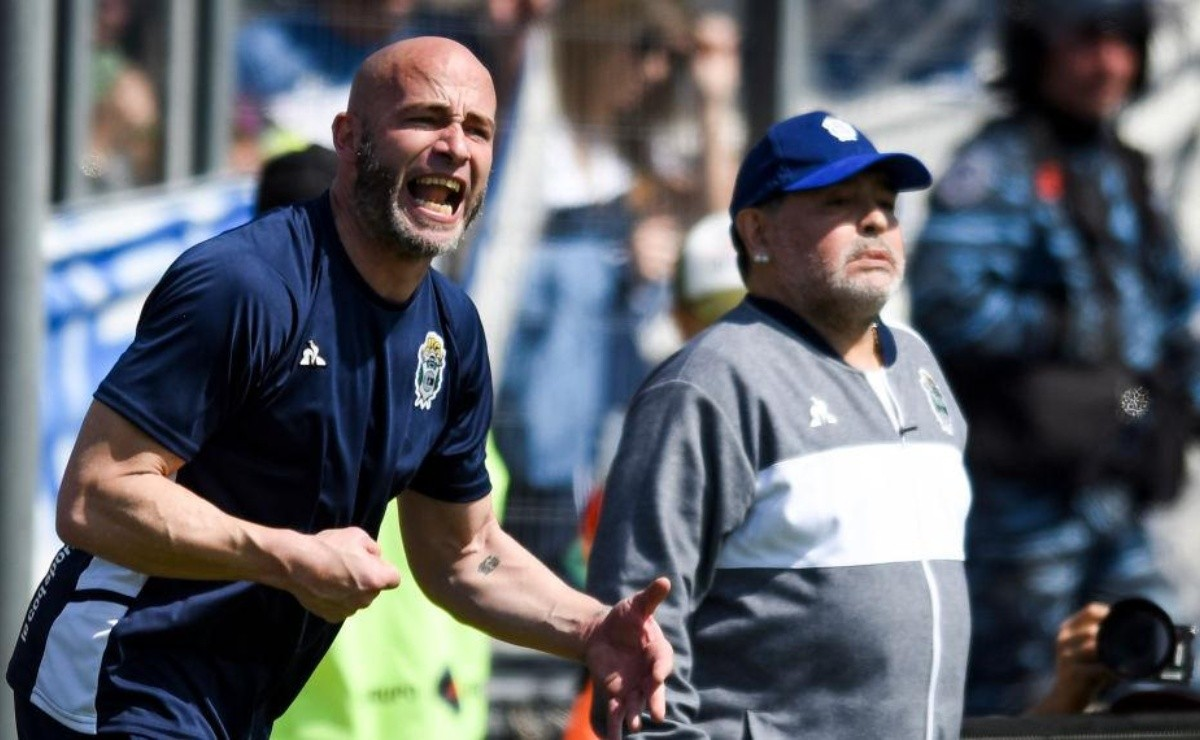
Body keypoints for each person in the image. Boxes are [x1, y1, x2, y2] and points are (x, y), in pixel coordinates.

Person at [7, 36, 671, 740]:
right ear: (349, 138)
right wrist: (287, 554)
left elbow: (461, 555)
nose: (455, 145)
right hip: (119, 674)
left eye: (477, 129)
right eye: (426, 117)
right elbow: (95, 496)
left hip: (238, 700)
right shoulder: (246, 286)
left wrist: (591, 627)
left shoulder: (451, 332)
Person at [586, 110, 973, 738]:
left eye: (885, 203)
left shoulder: (919, 367)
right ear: (758, 230)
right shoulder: (706, 384)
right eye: (840, 201)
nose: (875, 220)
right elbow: (633, 630)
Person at [907, 0, 1199, 716]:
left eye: (1123, 44)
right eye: (1085, 42)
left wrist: (1175, 397)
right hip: (1024, 494)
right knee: (1020, 693)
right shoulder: (998, 165)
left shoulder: (1120, 166)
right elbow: (951, 306)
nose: (1108, 65)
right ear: (1038, 51)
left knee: (1162, 673)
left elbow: (1171, 308)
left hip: (1116, 462)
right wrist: (1073, 326)